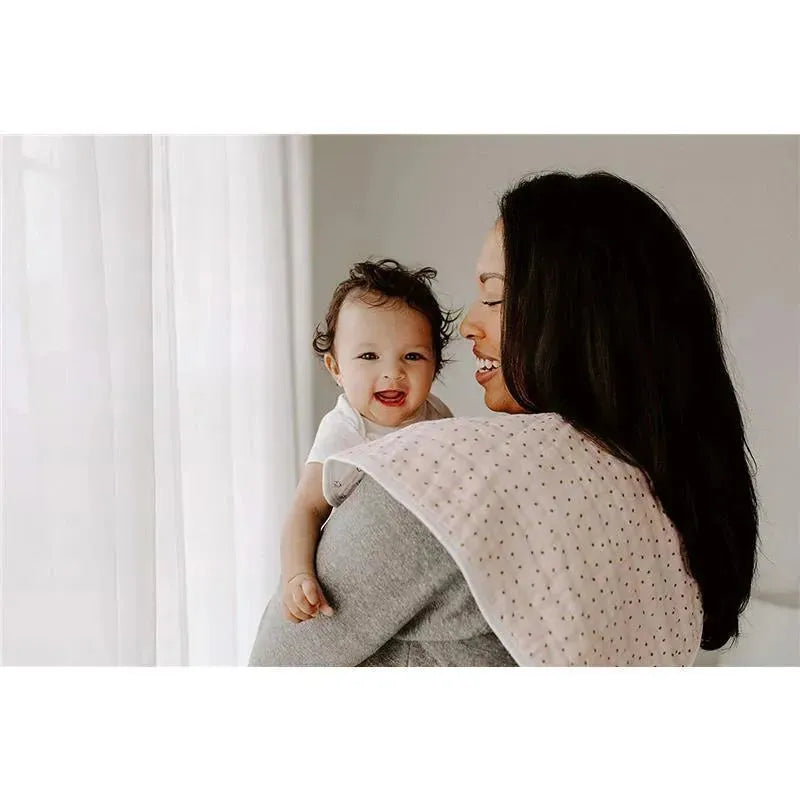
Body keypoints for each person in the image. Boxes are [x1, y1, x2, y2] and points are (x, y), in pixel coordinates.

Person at [249, 171, 758, 667]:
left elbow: (277, 664)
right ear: (335, 366)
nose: (468, 325)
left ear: (574, 318)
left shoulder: (437, 481)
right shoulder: (661, 511)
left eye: (493, 296)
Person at [279, 259, 456, 624]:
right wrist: (297, 574)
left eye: (412, 356)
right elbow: (306, 508)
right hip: (352, 577)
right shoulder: (347, 428)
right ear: (336, 368)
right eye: (369, 356)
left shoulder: (438, 415)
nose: (393, 372)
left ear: (435, 365)